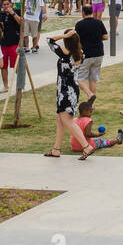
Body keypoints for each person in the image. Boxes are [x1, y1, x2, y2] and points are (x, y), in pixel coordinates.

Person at [44, 28, 92, 158]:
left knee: (67, 120)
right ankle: (56, 149)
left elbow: (49, 40)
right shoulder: (81, 53)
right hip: (72, 89)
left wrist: (64, 35)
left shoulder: (65, 53)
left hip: (65, 90)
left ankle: (86, 147)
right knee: (60, 118)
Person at [73, 0, 107, 101]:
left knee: (79, 79)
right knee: (93, 79)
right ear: (92, 11)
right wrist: (96, 38)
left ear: (83, 12)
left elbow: (76, 39)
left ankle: (89, 94)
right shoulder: (98, 22)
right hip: (98, 53)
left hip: (86, 54)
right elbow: (105, 36)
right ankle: (92, 104)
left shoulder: (79, 24)